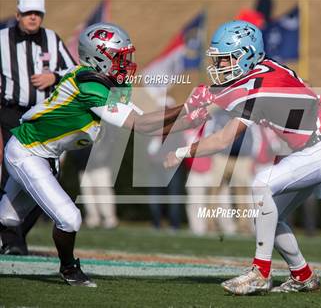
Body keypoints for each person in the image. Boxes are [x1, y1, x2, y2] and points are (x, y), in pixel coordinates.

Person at [0, 22, 210, 287]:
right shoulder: (91, 85)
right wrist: (188, 106)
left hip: (44, 156)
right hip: (27, 152)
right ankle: (69, 269)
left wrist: (190, 120)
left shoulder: (104, 82)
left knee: (7, 218)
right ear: (99, 57)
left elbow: (145, 124)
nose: (126, 63)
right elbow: (142, 123)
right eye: (120, 58)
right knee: (69, 218)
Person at [164, 20, 321, 295]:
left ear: (248, 54)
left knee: (261, 183)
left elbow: (223, 138)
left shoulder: (260, 84)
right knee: (266, 217)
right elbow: (223, 137)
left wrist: (181, 149)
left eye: (226, 60)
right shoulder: (258, 77)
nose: (219, 67)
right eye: (218, 61)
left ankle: (260, 272)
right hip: (310, 152)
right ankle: (303, 275)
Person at [0, 0, 76, 255]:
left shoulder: (52, 39)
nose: (33, 18)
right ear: (18, 14)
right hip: (9, 113)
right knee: (11, 174)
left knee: (47, 177)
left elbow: (74, 71)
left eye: (38, 14)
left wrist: (53, 76)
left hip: (41, 118)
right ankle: (11, 240)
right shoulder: (2, 39)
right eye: (28, 13)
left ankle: (15, 236)